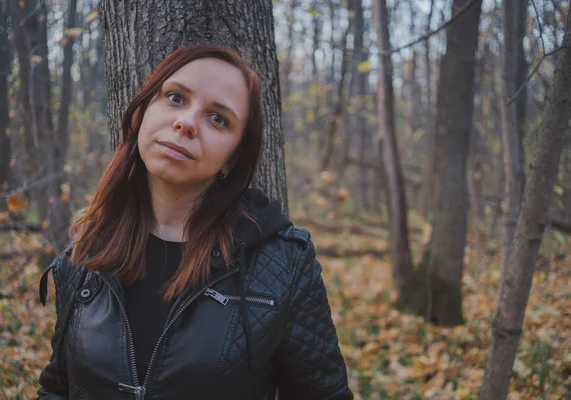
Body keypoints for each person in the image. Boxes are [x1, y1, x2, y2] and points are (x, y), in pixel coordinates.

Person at [37, 44, 353, 400]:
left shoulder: (284, 265)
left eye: (218, 119)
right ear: (142, 112)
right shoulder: (85, 253)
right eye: (175, 97)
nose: (186, 123)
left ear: (232, 158)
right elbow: (57, 389)